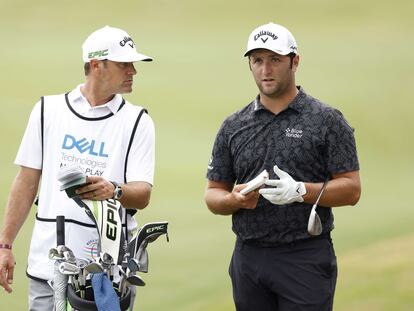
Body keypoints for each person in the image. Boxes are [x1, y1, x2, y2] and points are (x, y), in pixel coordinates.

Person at [204, 22, 361, 311]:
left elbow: (351, 190)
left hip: (304, 257)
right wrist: (232, 200)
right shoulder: (234, 126)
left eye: (275, 60)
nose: (265, 70)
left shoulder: (326, 120)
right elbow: (213, 193)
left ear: (295, 61)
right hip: (248, 257)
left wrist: (301, 191)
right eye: (258, 61)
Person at [0, 25, 155, 310]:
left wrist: (114, 190)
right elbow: (26, 181)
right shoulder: (48, 110)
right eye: (124, 64)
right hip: (47, 266)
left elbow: (142, 194)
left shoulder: (137, 121)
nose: (133, 70)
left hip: (106, 274)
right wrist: (5, 245)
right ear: (97, 65)